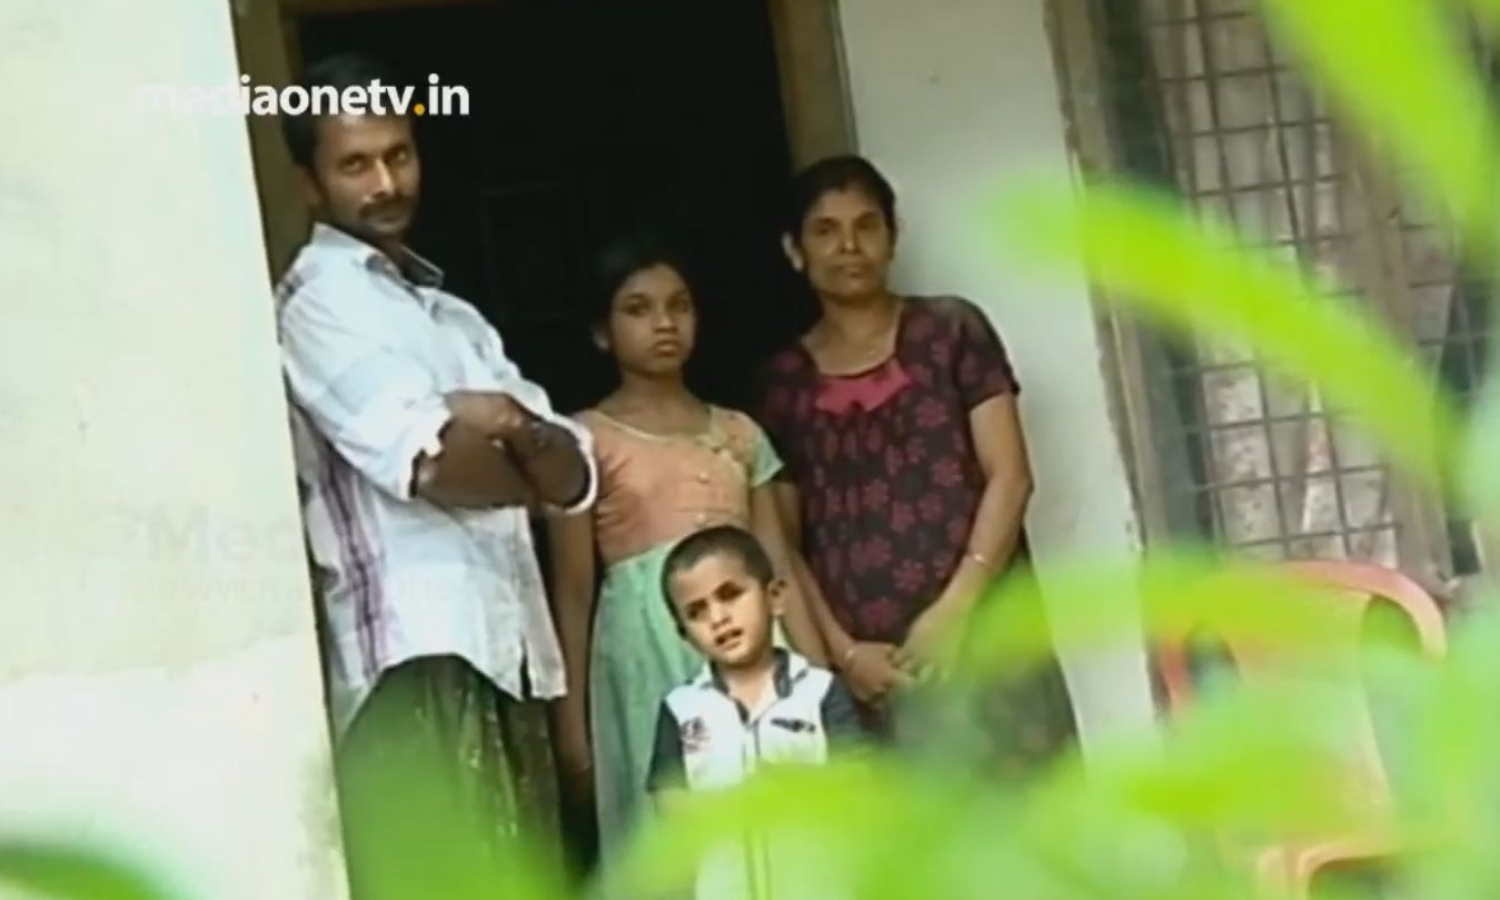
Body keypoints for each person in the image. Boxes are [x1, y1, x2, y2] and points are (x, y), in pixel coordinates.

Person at [274, 53, 597, 897]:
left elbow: (572, 479)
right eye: (355, 164)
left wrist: (505, 422)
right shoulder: (317, 304)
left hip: (511, 656)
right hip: (413, 661)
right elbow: (436, 467)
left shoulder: (456, 318)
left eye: (399, 155)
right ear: (309, 183)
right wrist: (517, 452)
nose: (385, 182)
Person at [758, 154, 1065, 755]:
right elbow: (784, 545)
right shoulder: (781, 383)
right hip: (876, 673)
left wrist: (955, 611)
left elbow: (1011, 477)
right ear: (794, 251)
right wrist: (845, 654)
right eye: (826, 231)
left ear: (893, 236)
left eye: (866, 225)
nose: (850, 246)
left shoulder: (951, 332)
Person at [545, 234, 826, 862]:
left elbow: (779, 563)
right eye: (638, 309)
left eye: (679, 305)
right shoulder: (581, 440)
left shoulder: (738, 433)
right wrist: (570, 719)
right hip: (642, 650)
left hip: (753, 647)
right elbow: (573, 590)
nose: (664, 323)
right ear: (602, 333)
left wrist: (817, 675)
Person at [646, 526, 864, 900]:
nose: (718, 618)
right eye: (697, 612)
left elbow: (856, 788)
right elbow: (673, 815)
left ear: (775, 597)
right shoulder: (681, 710)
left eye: (730, 594)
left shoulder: (819, 691)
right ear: (684, 635)